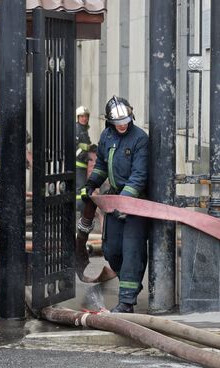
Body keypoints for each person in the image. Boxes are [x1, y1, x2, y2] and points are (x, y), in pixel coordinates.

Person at [81, 96, 149, 313]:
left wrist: (126, 200)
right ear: (110, 122)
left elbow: (139, 175)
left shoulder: (140, 139)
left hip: (135, 204)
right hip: (114, 201)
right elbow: (101, 164)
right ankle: (129, 283)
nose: (122, 125)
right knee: (112, 250)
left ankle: (127, 301)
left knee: (132, 251)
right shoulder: (107, 136)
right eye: (118, 122)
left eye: (126, 121)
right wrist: (92, 183)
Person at [75, 105, 94, 212]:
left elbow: (85, 144)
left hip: (83, 163)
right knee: (80, 188)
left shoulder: (84, 129)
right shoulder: (77, 129)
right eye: (82, 116)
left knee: (83, 187)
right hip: (78, 163)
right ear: (78, 117)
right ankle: (80, 209)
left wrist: (91, 147)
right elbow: (75, 146)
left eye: (86, 116)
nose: (84, 118)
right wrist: (84, 155)